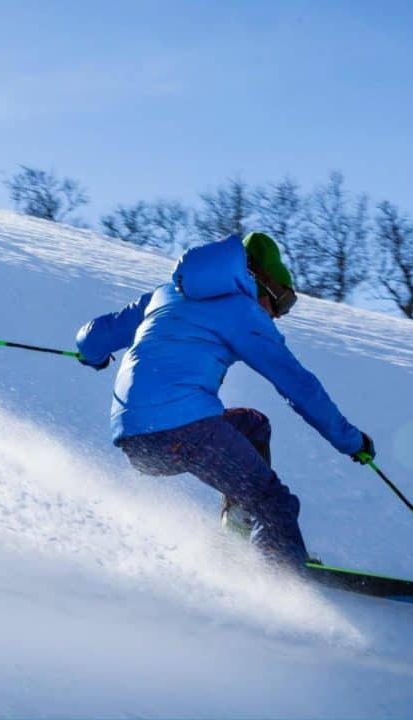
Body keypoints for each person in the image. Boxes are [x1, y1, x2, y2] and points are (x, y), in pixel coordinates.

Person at [75, 231, 375, 569]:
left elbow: (92, 338)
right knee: (273, 503)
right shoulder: (242, 312)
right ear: (263, 283)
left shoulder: (165, 295)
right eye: (283, 302)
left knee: (253, 425)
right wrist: (350, 441)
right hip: (184, 429)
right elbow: (298, 385)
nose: (278, 314)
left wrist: (93, 356)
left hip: (136, 442)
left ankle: (236, 534)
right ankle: (281, 580)